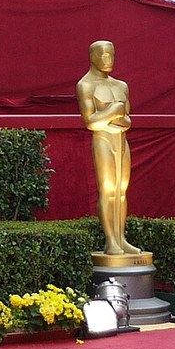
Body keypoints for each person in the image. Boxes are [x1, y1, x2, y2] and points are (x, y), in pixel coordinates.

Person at [76, 41, 143, 258]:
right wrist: (114, 111)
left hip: (121, 141)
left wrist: (115, 117)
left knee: (121, 191)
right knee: (107, 190)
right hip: (103, 140)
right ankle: (111, 240)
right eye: (103, 55)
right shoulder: (86, 85)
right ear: (93, 56)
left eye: (111, 55)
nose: (108, 59)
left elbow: (128, 120)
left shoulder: (121, 86)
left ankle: (121, 238)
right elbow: (91, 122)